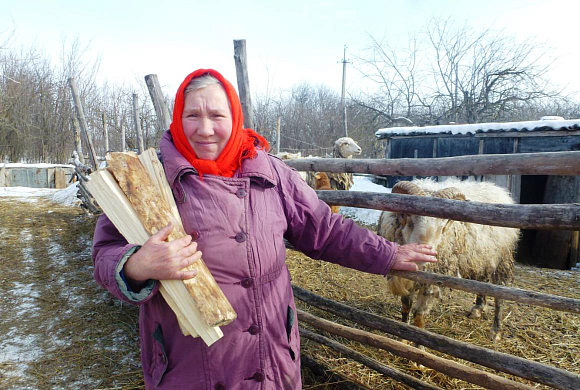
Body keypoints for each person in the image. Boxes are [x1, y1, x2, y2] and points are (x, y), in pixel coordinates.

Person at [92, 68, 437, 389]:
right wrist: (137, 266)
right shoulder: (147, 179)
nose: (205, 128)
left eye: (217, 115)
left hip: (268, 355)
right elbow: (105, 254)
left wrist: (388, 254)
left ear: (235, 118)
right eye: (193, 115)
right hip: (189, 361)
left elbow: (325, 230)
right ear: (178, 119)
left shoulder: (269, 173)